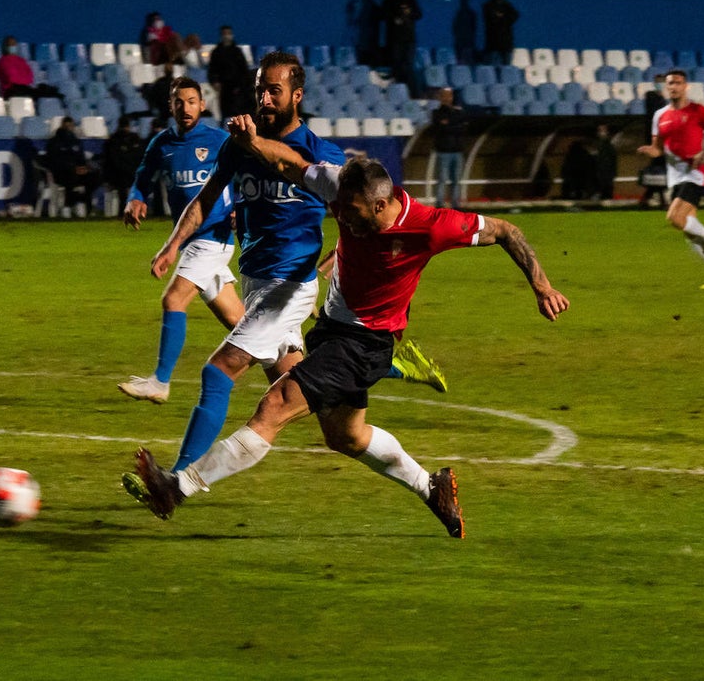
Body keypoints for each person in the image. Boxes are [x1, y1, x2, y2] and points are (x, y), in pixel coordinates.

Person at [127, 116, 570, 535]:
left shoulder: (431, 226)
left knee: (275, 404)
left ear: (382, 204)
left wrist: (542, 286)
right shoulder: (340, 189)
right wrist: (252, 142)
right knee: (346, 435)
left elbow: (507, 231)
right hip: (332, 330)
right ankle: (430, 486)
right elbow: (289, 163)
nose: (346, 221)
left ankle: (179, 487)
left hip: (367, 341)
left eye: (355, 214)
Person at [125, 51, 347, 476]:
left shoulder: (321, 153)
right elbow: (206, 199)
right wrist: (172, 246)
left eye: (274, 91)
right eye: (260, 89)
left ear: (297, 96)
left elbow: (358, 217)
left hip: (289, 287)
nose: (264, 98)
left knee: (218, 371)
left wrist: (335, 262)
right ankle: (382, 367)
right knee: (332, 420)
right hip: (256, 281)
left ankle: (176, 479)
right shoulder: (237, 147)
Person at [118, 77, 243, 405]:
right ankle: (288, 359)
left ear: (202, 105)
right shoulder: (161, 143)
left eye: (191, 101)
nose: (185, 107)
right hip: (192, 241)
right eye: (179, 102)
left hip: (213, 238)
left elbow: (248, 175)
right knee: (239, 321)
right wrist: (135, 198)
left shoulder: (220, 139)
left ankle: (160, 382)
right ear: (170, 106)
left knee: (173, 300)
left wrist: (240, 207)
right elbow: (142, 179)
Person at [637, 69, 704, 290]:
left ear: (685, 86)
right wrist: (649, 151)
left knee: (675, 218)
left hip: (695, 173)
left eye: (677, 83)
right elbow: (658, 149)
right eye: (669, 83)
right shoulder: (660, 116)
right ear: (665, 87)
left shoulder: (698, 111)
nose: (673, 86)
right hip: (674, 176)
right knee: (689, 233)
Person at [45, 116, 101, 218]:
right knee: (71, 176)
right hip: (60, 173)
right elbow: (54, 160)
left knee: (94, 177)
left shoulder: (75, 141)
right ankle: (68, 205)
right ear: (62, 125)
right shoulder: (54, 141)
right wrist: (72, 167)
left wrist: (84, 167)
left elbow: (81, 158)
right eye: (67, 126)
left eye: (70, 126)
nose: (69, 128)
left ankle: (85, 204)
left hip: (76, 171)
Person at [381, 0, 423, 96]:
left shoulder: (411, 2)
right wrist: (395, 18)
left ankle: (413, 93)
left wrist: (408, 13)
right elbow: (385, 16)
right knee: (396, 65)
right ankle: (396, 93)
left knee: (408, 66)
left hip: (409, 39)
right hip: (395, 39)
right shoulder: (389, 2)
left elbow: (418, 15)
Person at [428, 87, 468, 208]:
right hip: (443, 151)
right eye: (445, 96)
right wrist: (454, 126)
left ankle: (455, 204)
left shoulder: (458, 112)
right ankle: (439, 204)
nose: (447, 98)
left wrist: (449, 125)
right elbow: (440, 129)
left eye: (449, 95)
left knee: (456, 180)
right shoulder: (437, 113)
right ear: (440, 97)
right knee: (442, 180)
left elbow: (463, 129)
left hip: (457, 151)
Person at [0, 35, 61, 101]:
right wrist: (22, 79)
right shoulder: (3, 60)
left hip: (24, 88)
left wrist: (21, 79)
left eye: (14, 44)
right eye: (10, 45)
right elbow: (12, 78)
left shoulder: (21, 60)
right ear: (6, 47)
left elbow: (29, 77)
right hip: (11, 91)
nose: (13, 46)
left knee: (45, 91)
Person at [102, 115, 146, 215]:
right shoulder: (131, 139)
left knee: (124, 192)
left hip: (121, 173)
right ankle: (129, 213)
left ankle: (123, 213)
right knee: (125, 190)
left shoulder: (113, 139)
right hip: (123, 174)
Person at [207, 25, 252, 119]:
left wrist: (240, 86)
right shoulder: (216, 52)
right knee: (225, 113)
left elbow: (244, 71)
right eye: (224, 34)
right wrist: (214, 82)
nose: (226, 36)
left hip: (237, 89)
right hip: (223, 89)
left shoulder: (237, 52)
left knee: (237, 113)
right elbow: (212, 69)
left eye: (229, 33)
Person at [638, 73, 669, 208]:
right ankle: (658, 200)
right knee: (659, 167)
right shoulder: (652, 96)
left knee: (659, 168)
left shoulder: (664, 99)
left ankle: (648, 198)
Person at [482, 0, 518, 66]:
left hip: (506, 43)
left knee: (507, 68)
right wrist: (503, 17)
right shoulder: (488, 6)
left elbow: (515, 15)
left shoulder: (507, 5)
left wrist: (502, 17)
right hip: (493, 44)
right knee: (493, 69)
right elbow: (492, 19)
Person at [594, 123, 617, 201]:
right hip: (600, 173)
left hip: (606, 173)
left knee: (606, 190)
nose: (602, 133)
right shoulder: (598, 145)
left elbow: (612, 159)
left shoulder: (608, 145)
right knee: (602, 190)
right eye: (600, 130)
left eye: (604, 130)